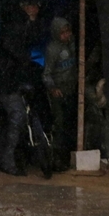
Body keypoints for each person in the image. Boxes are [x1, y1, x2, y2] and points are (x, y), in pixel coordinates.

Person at [0, 0, 47, 176]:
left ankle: (22, 157)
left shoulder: (29, 26)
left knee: (26, 119)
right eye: (31, 5)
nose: (35, 9)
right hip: (7, 83)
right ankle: (6, 161)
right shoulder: (15, 26)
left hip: (17, 81)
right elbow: (14, 50)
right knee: (17, 117)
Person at [43, 17, 77, 171]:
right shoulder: (52, 49)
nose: (66, 35)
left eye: (68, 31)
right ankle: (56, 159)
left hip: (72, 89)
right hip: (59, 91)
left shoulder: (72, 44)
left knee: (70, 123)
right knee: (59, 124)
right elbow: (46, 74)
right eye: (62, 32)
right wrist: (53, 88)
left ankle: (67, 156)